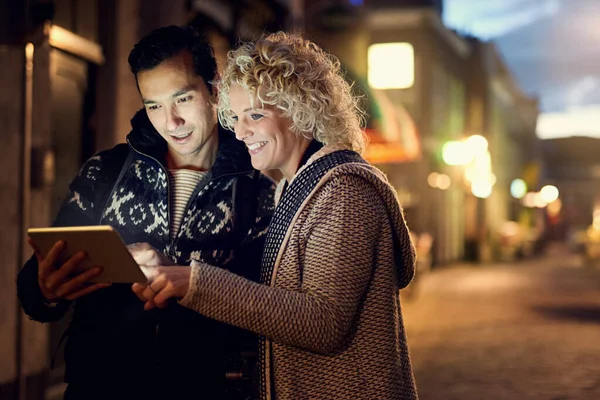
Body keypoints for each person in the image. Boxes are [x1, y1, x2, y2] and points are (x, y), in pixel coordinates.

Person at [132, 32, 419, 399]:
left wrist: (194, 283)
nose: (240, 131)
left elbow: (323, 323)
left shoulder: (343, 191)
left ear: (302, 109)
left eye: (255, 114)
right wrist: (172, 270)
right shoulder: (294, 186)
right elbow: (273, 298)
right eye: (235, 117)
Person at [17, 25, 275, 400]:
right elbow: (34, 288)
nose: (171, 122)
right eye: (154, 105)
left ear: (214, 89)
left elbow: (274, 307)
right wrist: (45, 290)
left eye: (182, 99)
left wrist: (180, 276)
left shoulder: (258, 182)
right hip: (100, 388)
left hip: (209, 389)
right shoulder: (106, 171)